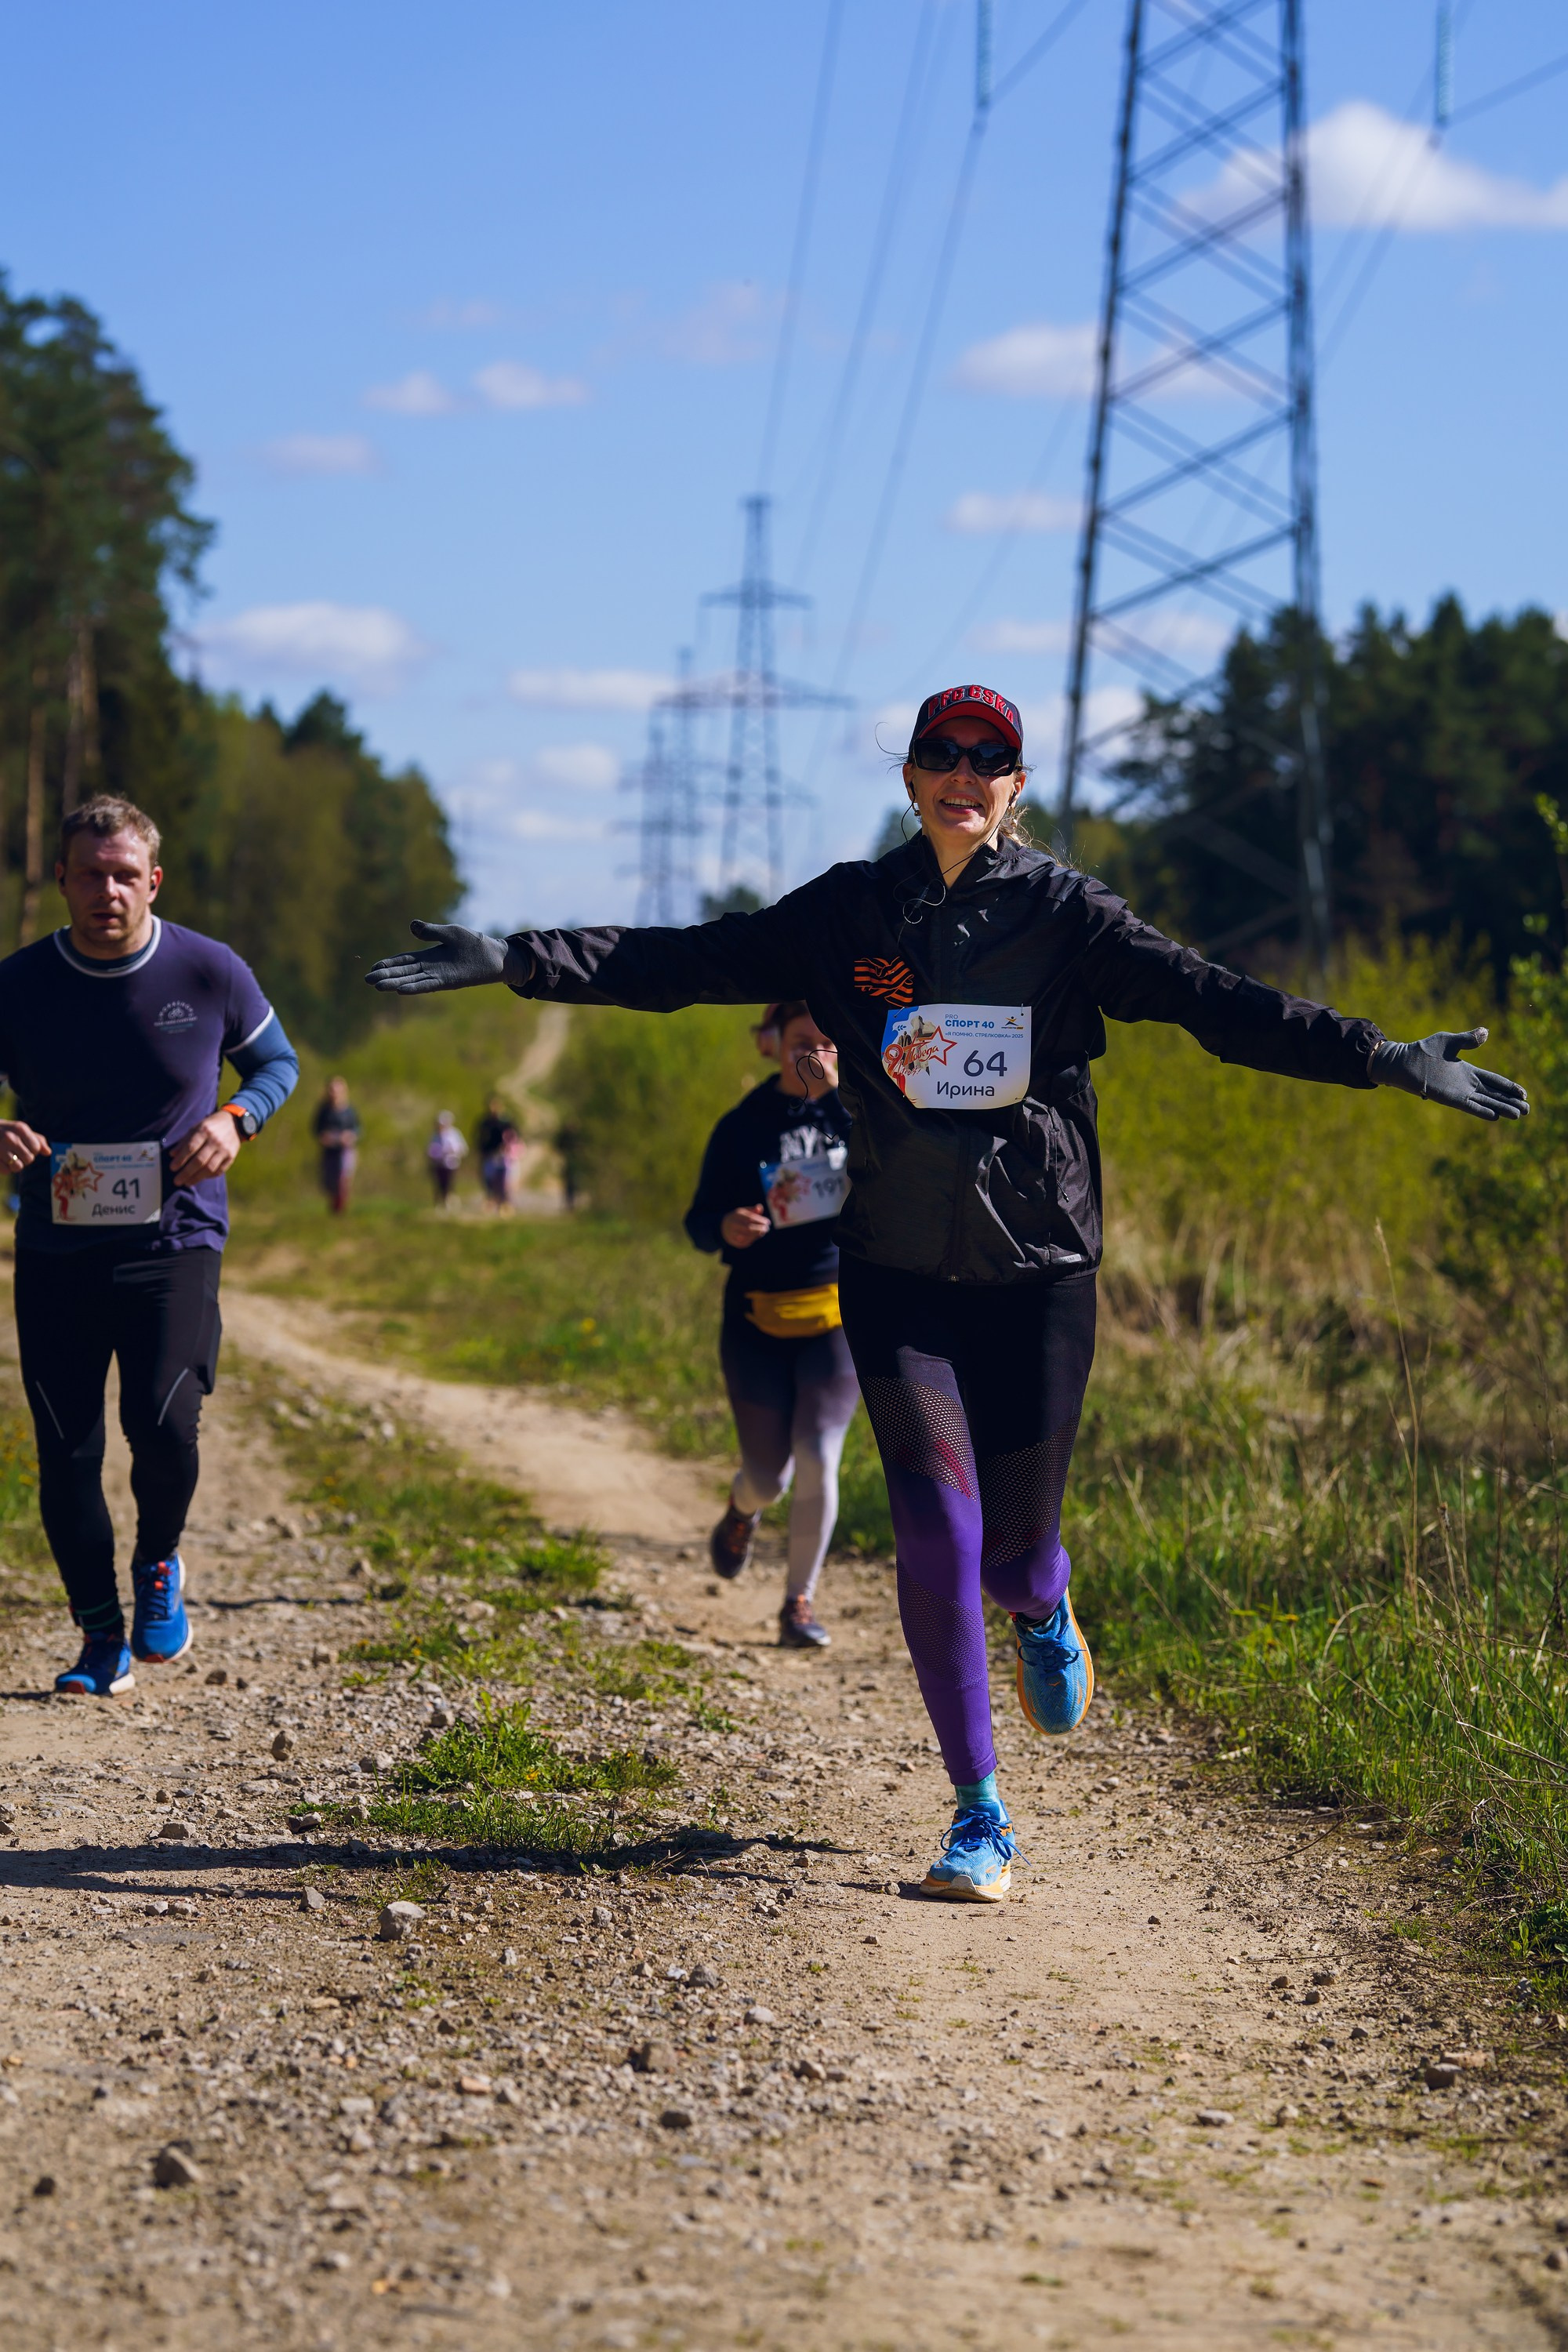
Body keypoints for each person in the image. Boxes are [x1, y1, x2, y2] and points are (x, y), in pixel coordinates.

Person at [367, 681, 1528, 1904]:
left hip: (1037, 1277)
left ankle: (1046, 1603)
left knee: (1017, 1560)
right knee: (934, 1531)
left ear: (1018, 788)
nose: (964, 771)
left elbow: (1218, 1006)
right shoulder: (847, 914)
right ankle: (979, 1810)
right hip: (895, 1272)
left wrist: (1381, 1057)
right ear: (912, 775)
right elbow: (679, 960)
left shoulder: (1070, 919)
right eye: (942, 752)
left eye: (991, 757)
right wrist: (514, 960)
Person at [0, 794, 299, 1697]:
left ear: (153, 881)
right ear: (61, 880)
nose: (107, 890)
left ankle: (158, 1562)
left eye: (125, 874)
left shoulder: (208, 971)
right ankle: (100, 1641)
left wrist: (237, 1118)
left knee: (163, 1424)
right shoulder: (18, 983)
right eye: (89, 874)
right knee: (68, 1448)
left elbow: (278, 1064)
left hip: (176, 1237)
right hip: (56, 1247)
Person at [684, 1000, 859, 1650]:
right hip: (756, 1320)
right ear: (770, 1045)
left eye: (826, 1042)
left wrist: (843, 1102)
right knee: (769, 1475)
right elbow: (698, 1222)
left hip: (838, 1319)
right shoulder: (741, 1126)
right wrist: (725, 1226)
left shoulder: (864, 1114)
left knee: (818, 1459)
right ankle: (742, 1508)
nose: (812, 1054)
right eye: (798, 1042)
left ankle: (798, 1603)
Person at [311, 1076, 360, 1213]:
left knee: (343, 1179)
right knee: (329, 1182)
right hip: (329, 1151)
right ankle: (334, 1207)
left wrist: (350, 1136)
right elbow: (316, 1129)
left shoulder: (350, 1110)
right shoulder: (324, 1110)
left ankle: (341, 1210)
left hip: (345, 1150)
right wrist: (324, 1137)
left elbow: (358, 1129)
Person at [476, 1094, 520, 1211]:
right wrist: (482, 1150)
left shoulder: (506, 1121)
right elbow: (479, 1137)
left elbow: (514, 1136)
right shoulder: (485, 1122)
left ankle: (505, 1203)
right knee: (489, 1179)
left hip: (504, 1155)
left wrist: (508, 1148)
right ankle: (490, 1201)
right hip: (489, 1154)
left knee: (504, 1180)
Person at [426, 1110, 466, 1207]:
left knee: (449, 1184)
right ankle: (440, 1204)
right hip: (438, 1164)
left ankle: (450, 1203)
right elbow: (430, 1149)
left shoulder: (455, 1134)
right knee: (439, 1185)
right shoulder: (435, 1135)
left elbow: (462, 1149)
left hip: (451, 1164)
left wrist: (452, 1151)